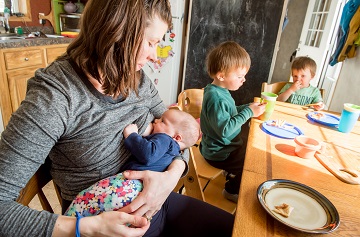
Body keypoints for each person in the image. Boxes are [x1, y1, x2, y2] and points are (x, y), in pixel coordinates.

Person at [0, 1, 235, 237]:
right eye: (151, 43)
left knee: (238, 229)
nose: (154, 56)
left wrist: (170, 177)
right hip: (102, 223)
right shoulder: (55, 96)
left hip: (159, 205)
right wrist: (88, 228)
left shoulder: (137, 79)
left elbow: (178, 135)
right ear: (117, 32)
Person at [64, 109, 200, 217]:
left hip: (128, 184)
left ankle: (71, 219)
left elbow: (147, 155)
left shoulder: (165, 139)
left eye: (162, 121)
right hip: (140, 191)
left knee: (88, 198)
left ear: (176, 137)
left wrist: (132, 135)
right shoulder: (175, 151)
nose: (156, 120)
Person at [199, 41, 266, 203]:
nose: (244, 80)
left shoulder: (219, 91)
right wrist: (249, 112)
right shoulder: (216, 98)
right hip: (218, 153)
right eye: (239, 76)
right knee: (253, 163)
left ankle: (230, 172)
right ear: (221, 75)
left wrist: (247, 107)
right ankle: (231, 190)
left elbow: (230, 112)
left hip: (219, 146)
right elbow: (225, 130)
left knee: (251, 144)